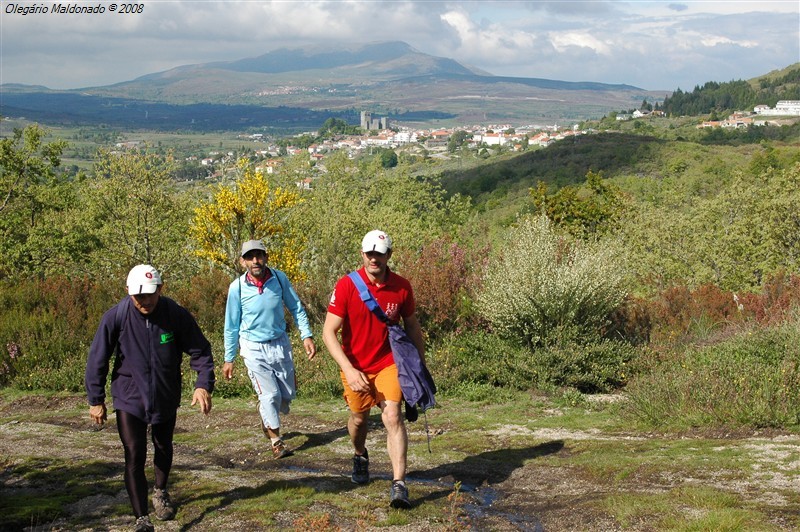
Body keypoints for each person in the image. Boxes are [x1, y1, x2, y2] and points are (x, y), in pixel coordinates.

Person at [85, 264, 215, 532]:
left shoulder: (175, 315)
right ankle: (141, 519)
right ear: (128, 292)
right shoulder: (116, 317)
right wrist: (95, 399)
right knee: (134, 453)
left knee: (163, 445)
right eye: (138, 296)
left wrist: (203, 384)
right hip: (129, 396)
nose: (145, 301)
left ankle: (160, 490)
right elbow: (97, 359)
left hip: (165, 395)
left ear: (160, 289)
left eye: (150, 294)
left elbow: (200, 350)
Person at [322, 229, 425, 509]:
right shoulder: (346, 286)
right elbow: (328, 332)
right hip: (354, 366)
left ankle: (399, 484)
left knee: (392, 416)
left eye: (379, 254)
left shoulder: (402, 287)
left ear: (389, 255)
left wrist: (419, 365)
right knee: (358, 420)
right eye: (369, 254)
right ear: (362, 254)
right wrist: (349, 369)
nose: (373, 259)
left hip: (388, 362)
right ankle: (359, 453)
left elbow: (412, 325)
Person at [223, 239, 316, 459]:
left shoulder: (279, 279)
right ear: (243, 261)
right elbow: (231, 325)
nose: (255, 261)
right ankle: (277, 441)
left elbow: (296, 308)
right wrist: (229, 358)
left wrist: (307, 335)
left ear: (266, 257)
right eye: (250, 257)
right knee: (270, 395)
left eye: (259, 255)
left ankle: (266, 417)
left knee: (286, 396)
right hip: (252, 347)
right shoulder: (236, 288)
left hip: (279, 343)